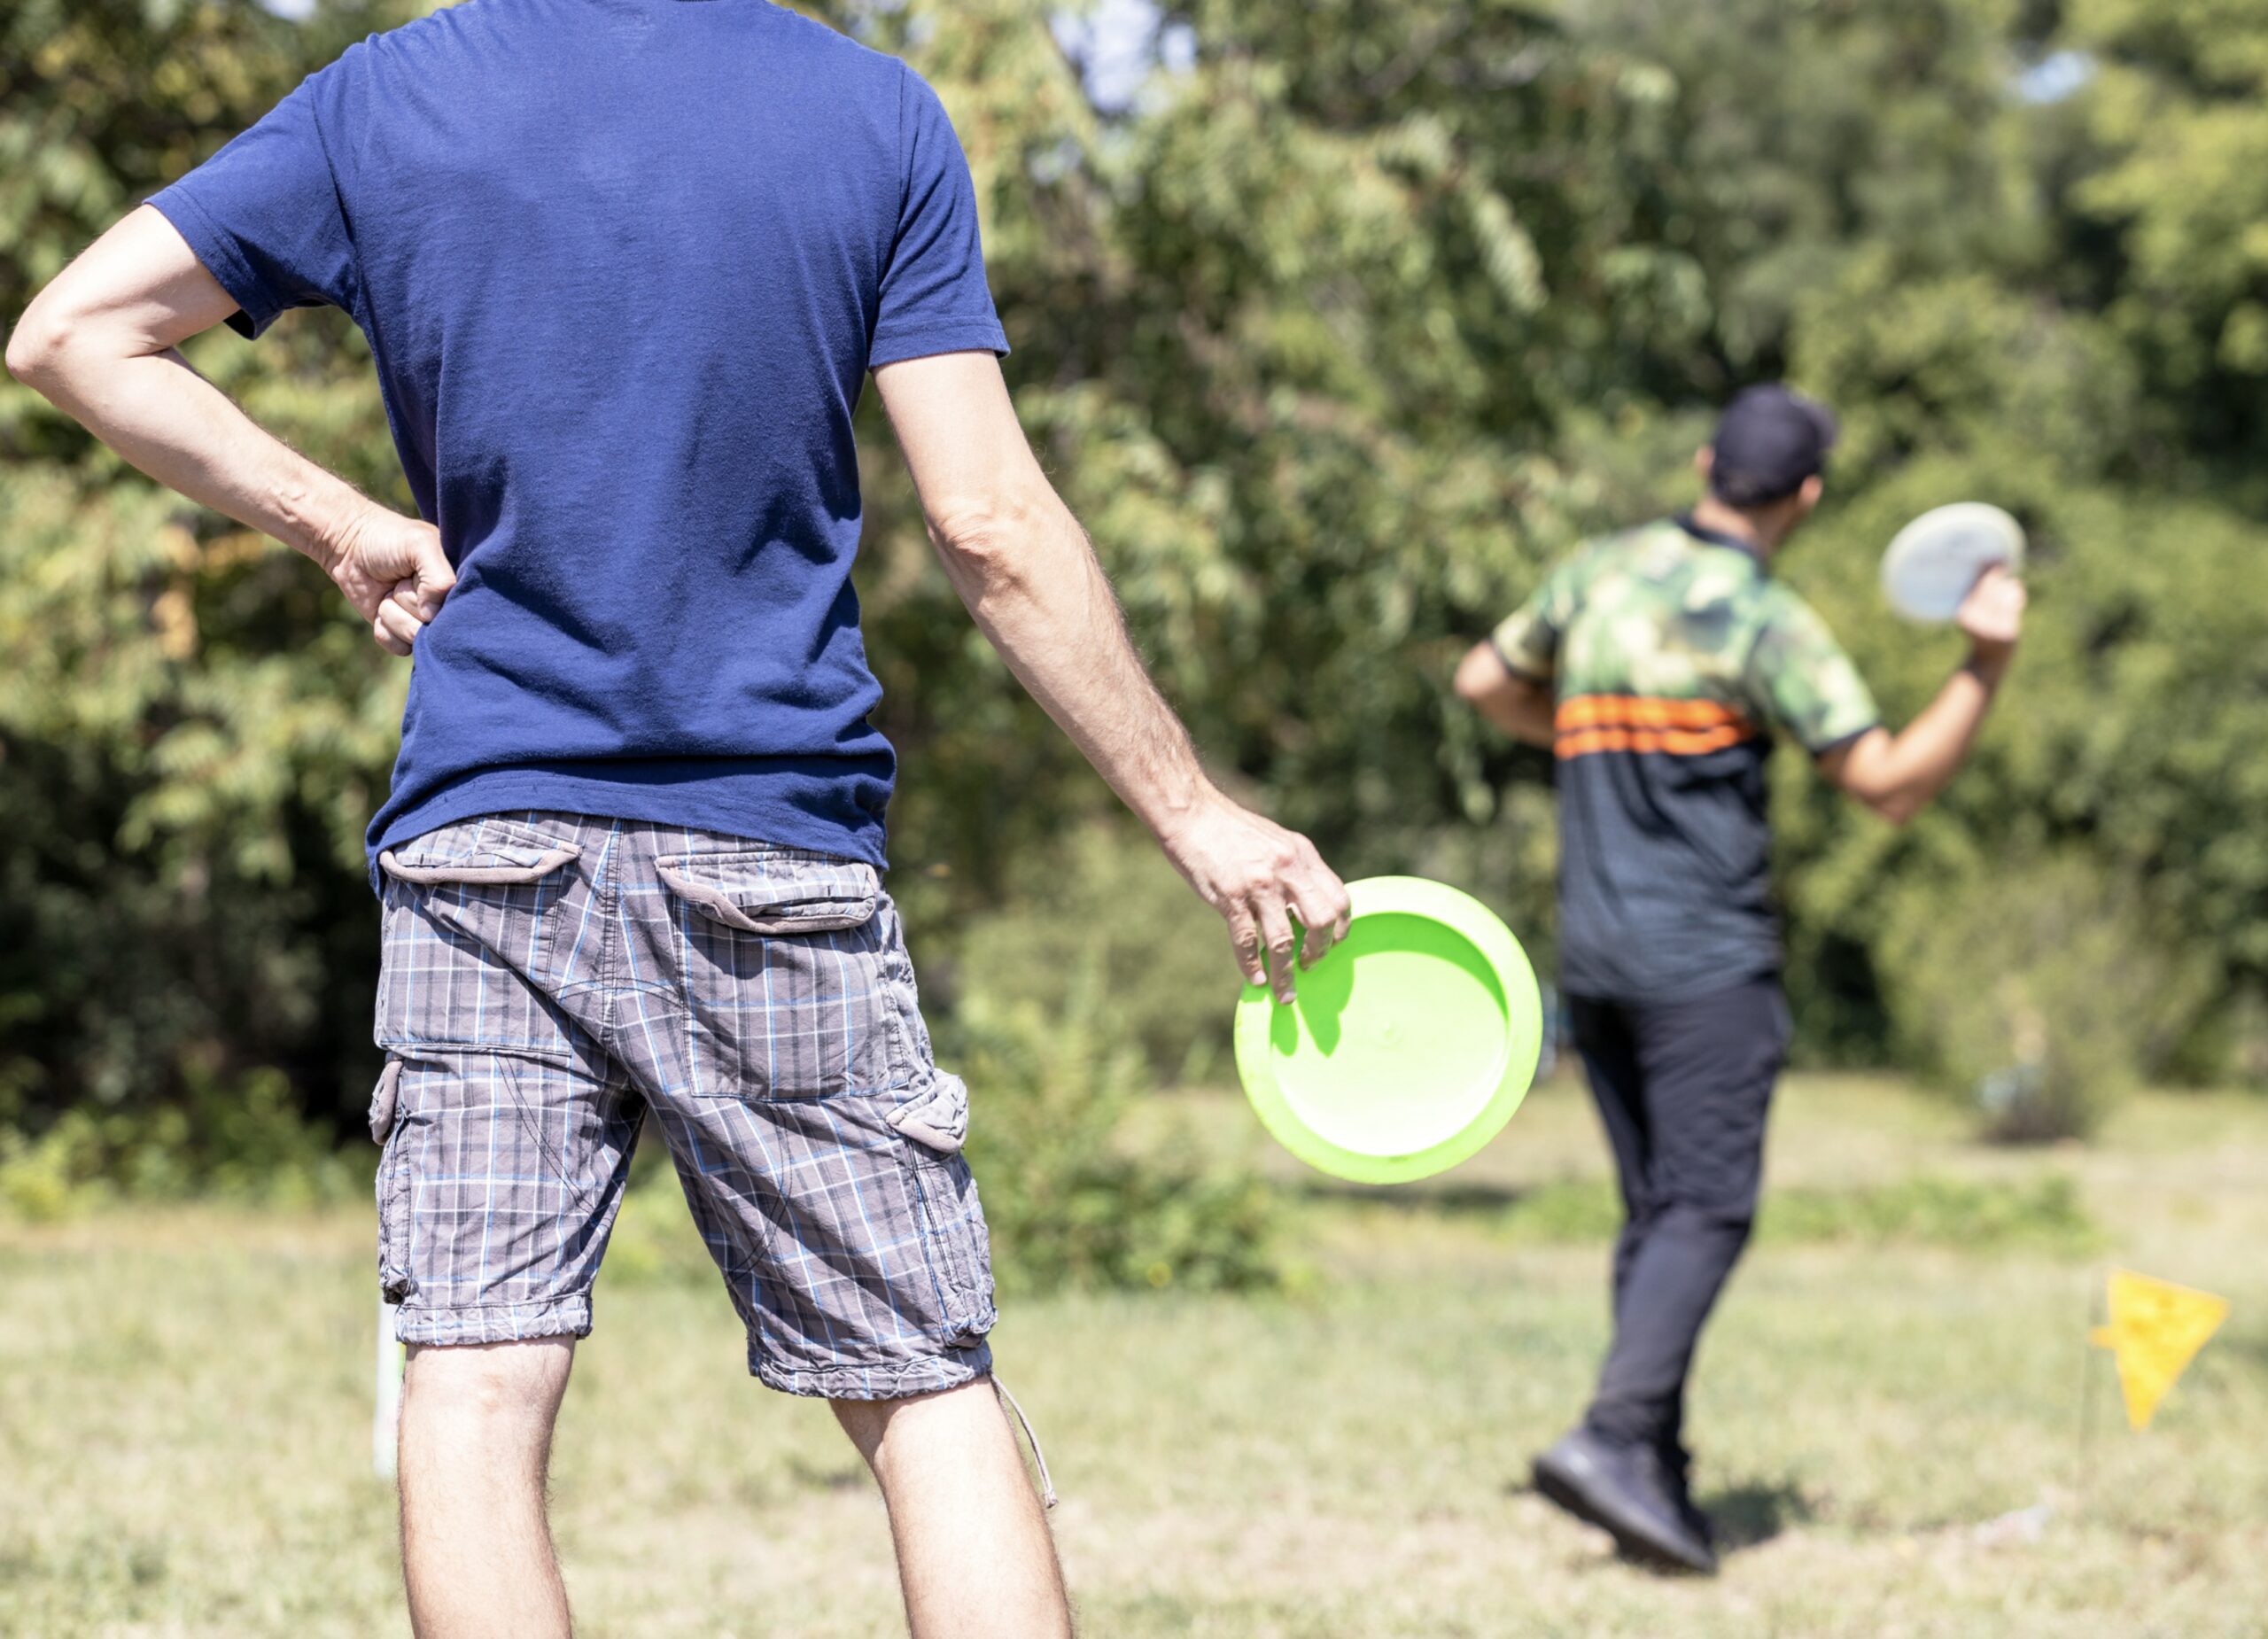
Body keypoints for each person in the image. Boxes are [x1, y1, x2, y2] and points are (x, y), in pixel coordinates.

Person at [7, 7, 1351, 1635]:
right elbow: (989, 522)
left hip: (484, 845)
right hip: (769, 843)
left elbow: (70, 334)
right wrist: (1195, 811)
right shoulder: (871, 117)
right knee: (924, 1385)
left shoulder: (395, 95)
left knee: (478, 1381)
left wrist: (344, 524)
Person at [1453, 385, 2025, 1573]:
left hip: (1597, 960)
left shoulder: (1597, 575)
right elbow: (1889, 784)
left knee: (1659, 1213)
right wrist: (1984, 661)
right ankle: (1614, 1438)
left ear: (1708, 460)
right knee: (1707, 1208)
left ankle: (1650, 1485)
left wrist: (1579, 735)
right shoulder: (1769, 624)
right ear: (1806, 496)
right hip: (1707, 968)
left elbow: (1482, 682)